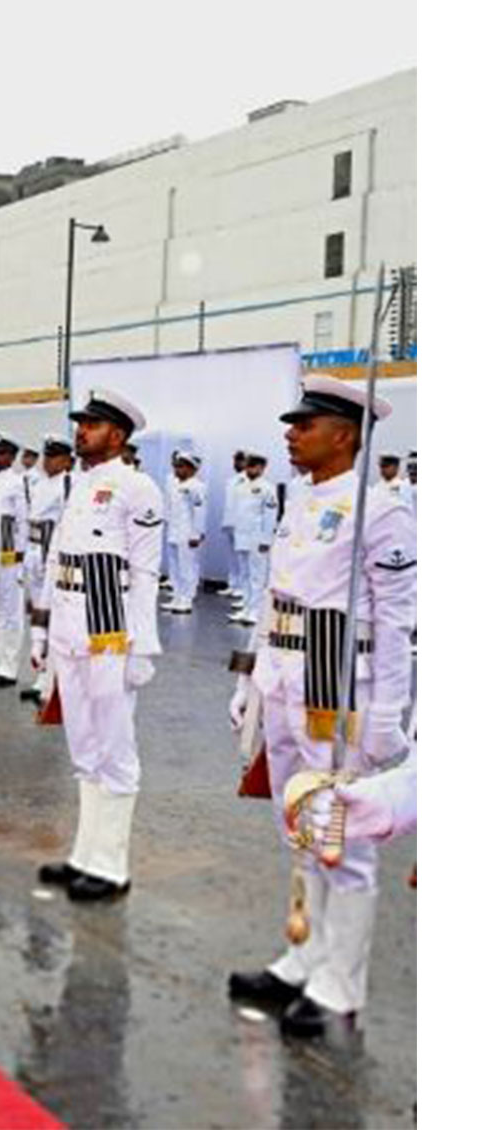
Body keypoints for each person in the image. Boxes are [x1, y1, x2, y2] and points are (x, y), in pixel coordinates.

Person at [226, 376, 415, 1038]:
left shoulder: (383, 509)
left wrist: (391, 712)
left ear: (344, 434)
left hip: (341, 693)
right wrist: (249, 682)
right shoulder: (301, 501)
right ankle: (302, 954)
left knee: (346, 842)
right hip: (283, 683)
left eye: (304, 425)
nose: (291, 433)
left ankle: (339, 984)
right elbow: (275, 596)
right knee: (301, 828)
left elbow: (396, 620)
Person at [32, 388, 164, 901]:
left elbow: (147, 571)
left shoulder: (138, 488)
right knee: (84, 749)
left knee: (115, 750)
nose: (80, 430)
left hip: (109, 630)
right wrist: (42, 630)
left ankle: (111, 866)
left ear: (119, 434)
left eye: (92, 424)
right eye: (80, 423)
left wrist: (141, 648)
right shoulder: (78, 484)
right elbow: (54, 562)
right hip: (68, 626)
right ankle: (85, 855)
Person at [21, 435, 73, 704]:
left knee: (52, 620)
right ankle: (41, 676)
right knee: (38, 618)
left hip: (51, 558)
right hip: (34, 556)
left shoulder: (68, 483)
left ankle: (52, 681)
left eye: (54, 456)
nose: (48, 461)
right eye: (46, 455)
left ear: (66, 460)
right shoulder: (39, 483)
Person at [0, 435, 29, 687]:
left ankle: (9, 666)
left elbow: (22, 520)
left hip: (11, 554)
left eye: (3, 454)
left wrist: (21, 555)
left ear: (12, 457)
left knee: (11, 612)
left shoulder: (18, 482)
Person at [227, 453, 278, 625]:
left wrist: (266, 539)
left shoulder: (267, 488)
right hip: (241, 535)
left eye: (254, 466)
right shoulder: (240, 486)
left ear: (262, 468)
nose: (249, 469)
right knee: (245, 574)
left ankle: (256, 611)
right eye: (248, 466)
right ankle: (246, 608)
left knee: (257, 576)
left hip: (258, 538)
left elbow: (270, 515)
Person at [163, 452, 208, 614]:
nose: (177, 469)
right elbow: (169, 508)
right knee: (174, 566)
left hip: (188, 533)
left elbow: (200, 512)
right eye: (176, 466)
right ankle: (176, 596)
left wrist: (197, 533)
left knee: (187, 566)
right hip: (174, 531)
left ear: (191, 469)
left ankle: (186, 599)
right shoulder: (175, 485)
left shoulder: (196, 487)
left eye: (181, 466)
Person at [219, 450, 249, 598]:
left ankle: (243, 588)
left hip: (242, 524)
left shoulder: (249, 480)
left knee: (241, 558)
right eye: (235, 460)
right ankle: (233, 584)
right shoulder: (231, 480)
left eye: (240, 460)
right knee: (231, 557)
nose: (237, 463)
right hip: (230, 522)